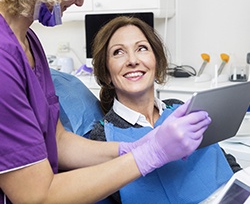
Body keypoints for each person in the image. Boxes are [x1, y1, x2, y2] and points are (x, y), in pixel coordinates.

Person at [0, 0, 213, 203]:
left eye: (142, 48)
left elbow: (58, 141)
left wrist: (138, 145)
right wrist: (149, 154)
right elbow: (36, 196)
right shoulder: (4, 57)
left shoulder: (29, 42)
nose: (80, 2)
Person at [89, 16, 241, 203]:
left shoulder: (182, 108)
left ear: (157, 61)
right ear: (106, 72)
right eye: (118, 52)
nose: (132, 60)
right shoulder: (100, 138)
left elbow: (224, 162)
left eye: (142, 48)